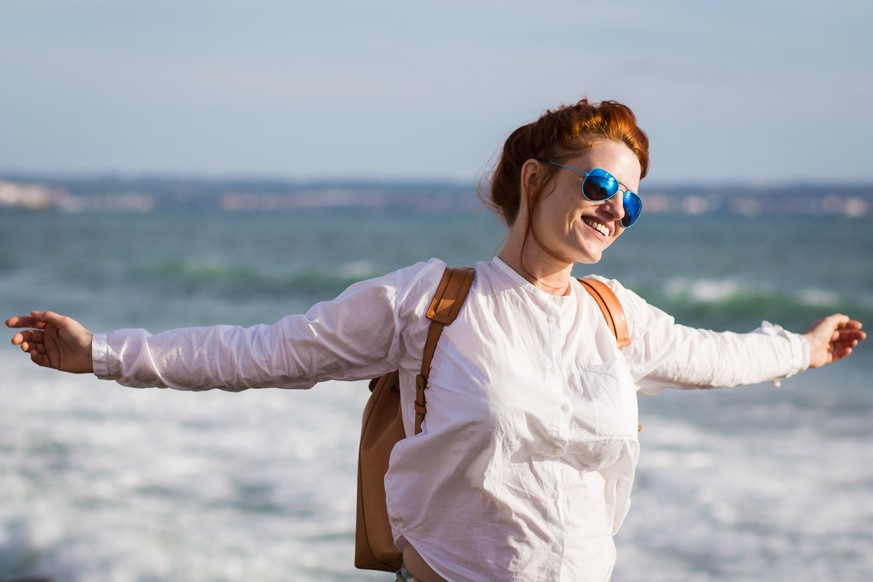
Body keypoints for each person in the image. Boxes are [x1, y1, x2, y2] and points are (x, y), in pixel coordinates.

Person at [7, 99, 865, 582]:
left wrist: (803, 345)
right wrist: (102, 354)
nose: (615, 208)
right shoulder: (429, 302)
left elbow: (720, 358)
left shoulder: (615, 315)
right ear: (534, 180)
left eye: (631, 199)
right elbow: (261, 350)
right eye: (601, 183)